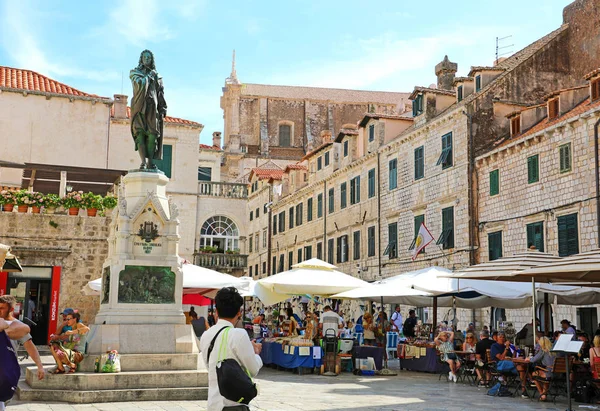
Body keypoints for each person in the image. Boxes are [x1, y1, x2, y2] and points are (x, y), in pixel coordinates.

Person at [199, 287, 262, 411]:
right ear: (239, 312)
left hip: (214, 404)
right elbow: (253, 369)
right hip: (234, 405)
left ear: (216, 311)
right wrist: (256, 354)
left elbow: (211, 367)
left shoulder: (206, 335)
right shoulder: (240, 334)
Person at [129, 49, 167, 170]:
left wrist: (163, 107)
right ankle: (143, 162)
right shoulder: (135, 73)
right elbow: (138, 84)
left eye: (149, 58)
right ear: (141, 59)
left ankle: (150, 161)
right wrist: (148, 77)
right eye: (144, 57)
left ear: (152, 60)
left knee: (152, 136)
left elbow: (160, 93)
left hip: (152, 108)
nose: (146, 59)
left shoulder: (157, 76)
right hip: (139, 108)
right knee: (139, 135)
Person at [0, 295, 45, 382]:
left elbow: (30, 346)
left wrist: (40, 366)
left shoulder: (18, 326)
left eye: (2, 308)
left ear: (11, 309)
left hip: (6, 369)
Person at [528, 337, 556, 402]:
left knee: (534, 374)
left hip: (548, 373)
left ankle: (542, 394)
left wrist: (528, 359)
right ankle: (544, 394)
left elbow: (533, 360)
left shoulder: (543, 351)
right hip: (557, 374)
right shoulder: (555, 351)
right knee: (544, 375)